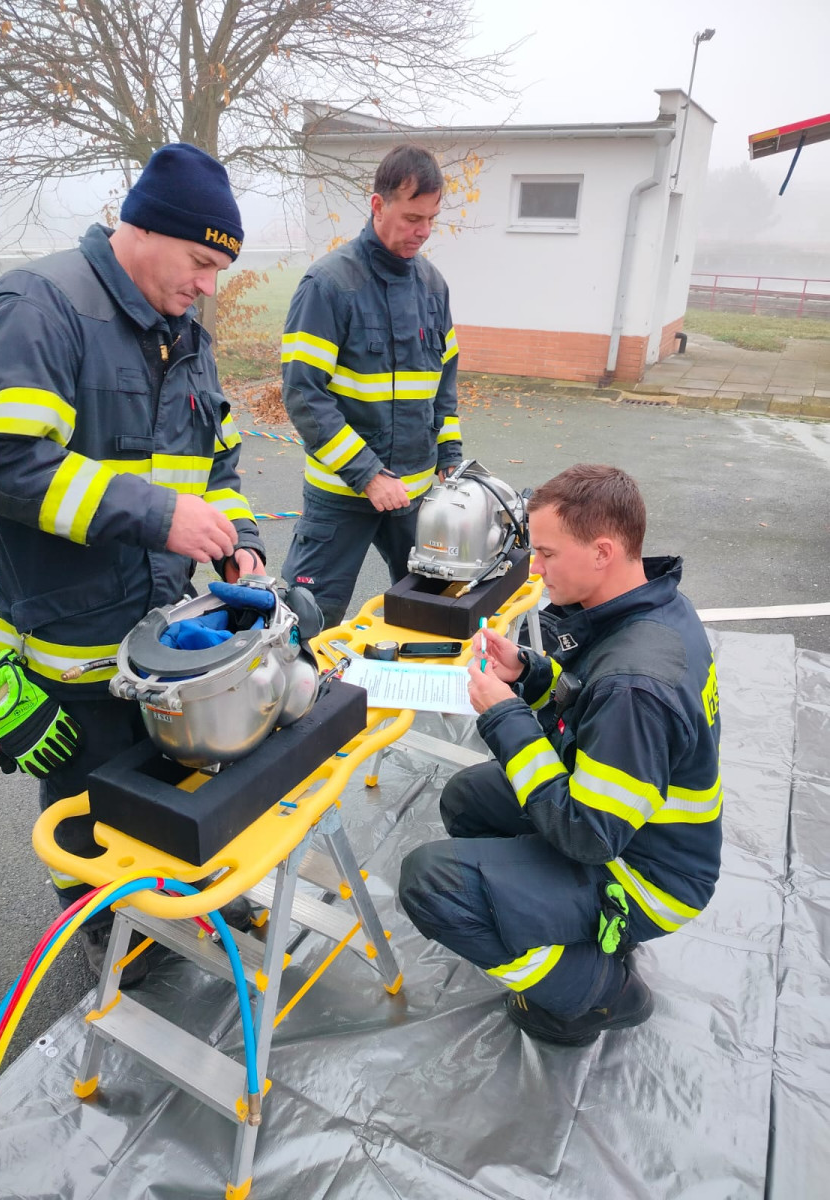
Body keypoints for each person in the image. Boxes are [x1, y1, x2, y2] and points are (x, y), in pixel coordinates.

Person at [0, 143, 266, 982]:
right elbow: (4, 462)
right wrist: (162, 518)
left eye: (219, 270)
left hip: (159, 640)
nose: (208, 286)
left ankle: (175, 896)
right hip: (65, 641)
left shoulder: (184, 336)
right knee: (86, 806)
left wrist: (239, 542)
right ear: (142, 229)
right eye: (201, 261)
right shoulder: (37, 306)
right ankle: (100, 929)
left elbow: (219, 462)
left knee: (171, 780)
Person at [399, 464, 722, 1046]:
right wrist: (527, 674)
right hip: (633, 829)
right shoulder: (647, 609)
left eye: (546, 553)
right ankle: (548, 914)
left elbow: (588, 837)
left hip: (646, 872)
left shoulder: (636, 684)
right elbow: (587, 708)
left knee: (430, 882)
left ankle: (596, 995)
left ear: (602, 551)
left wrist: (503, 715)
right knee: (468, 797)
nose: (535, 569)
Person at [279, 143, 463, 628]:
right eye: (411, 218)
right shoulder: (327, 285)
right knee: (305, 624)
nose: (422, 232)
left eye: (431, 219)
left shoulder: (433, 287)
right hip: (343, 493)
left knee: (433, 614)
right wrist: (367, 474)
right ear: (378, 204)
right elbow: (304, 394)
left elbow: (443, 384)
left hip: (416, 494)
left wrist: (450, 458)